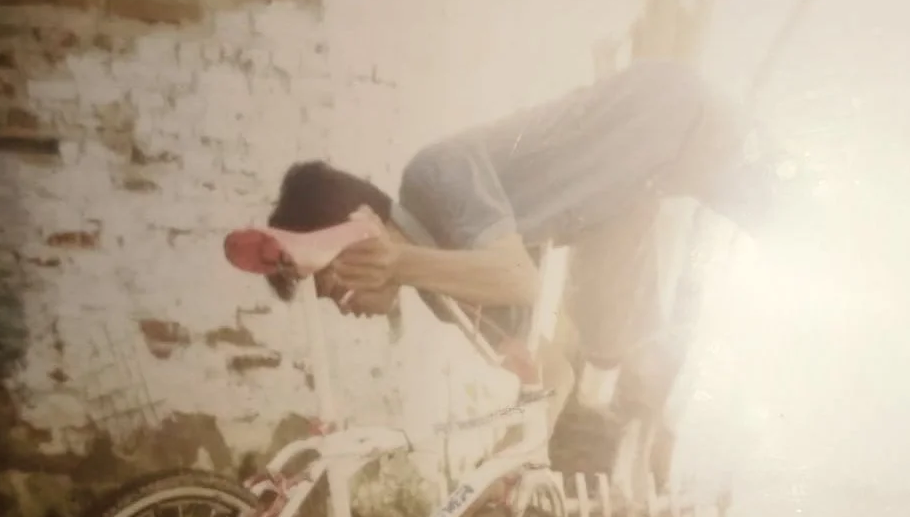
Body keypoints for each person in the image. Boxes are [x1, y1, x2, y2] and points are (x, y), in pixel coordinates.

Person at [261, 59, 805, 489]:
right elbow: (546, 374)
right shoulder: (440, 291)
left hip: (666, 118)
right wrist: (497, 471)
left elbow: (519, 280)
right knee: (609, 352)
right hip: (628, 197)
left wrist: (400, 262)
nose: (344, 305)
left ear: (364, 230)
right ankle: (655, 462)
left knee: (801, 227)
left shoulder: (431, 175)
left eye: (335, 285)